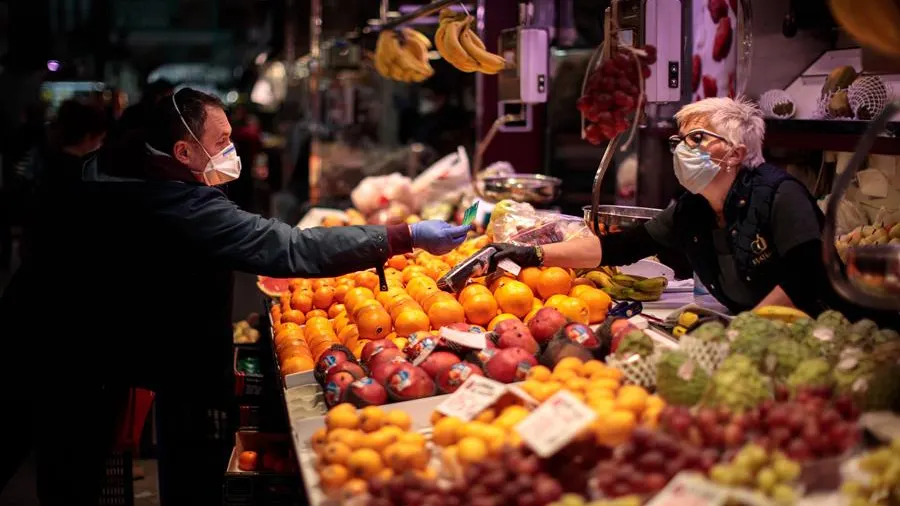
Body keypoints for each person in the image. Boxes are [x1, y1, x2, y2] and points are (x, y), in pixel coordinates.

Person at [0, 88, 471, 506]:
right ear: (182, 150)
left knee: (70, 454)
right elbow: (289, 247)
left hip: (67, 329)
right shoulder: (180, 203)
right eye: (220, 141)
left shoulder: (117, 165)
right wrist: (404, 235)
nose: (231, 150)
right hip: (70, 346)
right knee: (74, 463)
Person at [490, 97, 898, 325]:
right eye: (680, 140)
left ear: (736, 153)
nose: (683, 149)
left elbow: (805, 279)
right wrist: (535, 254)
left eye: (698, 138)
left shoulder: (780, 194)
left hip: (828, 335)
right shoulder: (694, 208)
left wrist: (746, 330)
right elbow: (621, 247)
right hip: (758, 332)